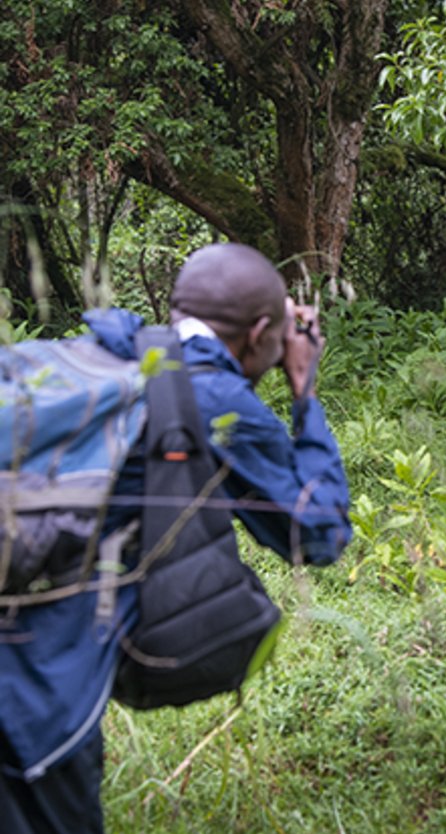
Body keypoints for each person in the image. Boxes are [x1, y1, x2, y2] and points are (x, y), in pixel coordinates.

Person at [0, 243, 351, 833]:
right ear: (262, 330)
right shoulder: (210, 396)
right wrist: (304, 392)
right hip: (34, 701)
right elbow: (318, 532)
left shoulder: (103, 357)